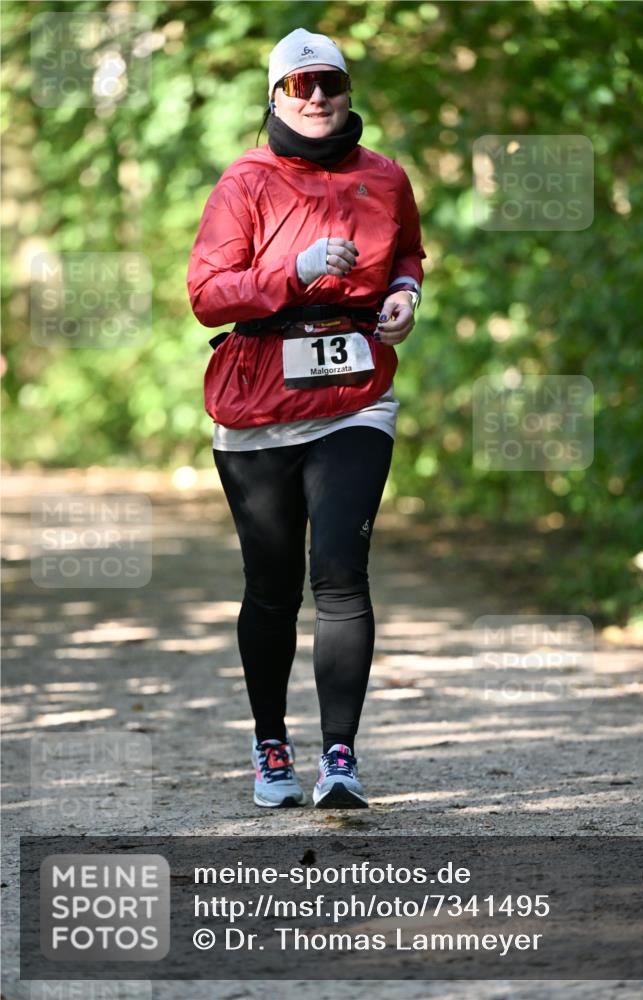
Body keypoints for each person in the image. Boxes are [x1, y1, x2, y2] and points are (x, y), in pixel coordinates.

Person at [187, 28, 425, 810]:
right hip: (258, 406)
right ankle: (270, 746)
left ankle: (340, 757)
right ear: (275, 97)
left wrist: (404, 296)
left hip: (355, 399)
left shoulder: (384, 177)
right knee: (272, 587)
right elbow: (206, 295)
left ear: (348, 90)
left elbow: (407, 255)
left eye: (329, 82)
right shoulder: (246, 181)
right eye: (299, 85)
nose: (316, 96)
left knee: (341, 571)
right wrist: (291, 271)